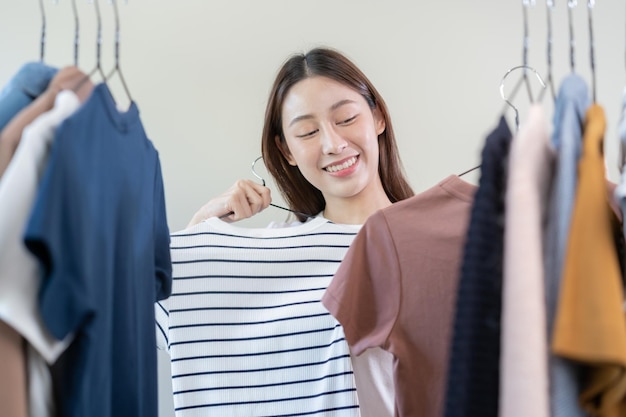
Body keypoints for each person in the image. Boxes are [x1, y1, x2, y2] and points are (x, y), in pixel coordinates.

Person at [159, 47, 414, 417]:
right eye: (308, 131)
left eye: (345, 118)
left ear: (377, 117)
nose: (332, 144)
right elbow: (175, 330)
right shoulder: (270, 258)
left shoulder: (430, 240)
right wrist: (200, 231)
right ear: (286, 150)